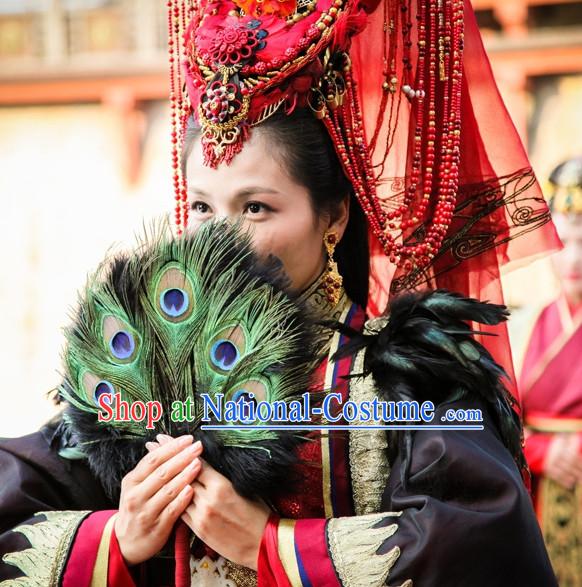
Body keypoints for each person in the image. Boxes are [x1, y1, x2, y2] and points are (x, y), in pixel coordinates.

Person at [0, 0, 561, 585]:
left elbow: (482, 542)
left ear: (333, 217)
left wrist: (270, 545)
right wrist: (120, 534)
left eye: (256, 207)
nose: (219, 235)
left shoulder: (403, 377)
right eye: (201, 206)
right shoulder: (142, 372)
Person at [517, 156, 582, 587]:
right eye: (564, 242)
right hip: (538, 501)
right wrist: (540, 451)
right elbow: (494, 420)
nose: (574, 260)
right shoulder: (523, 326)